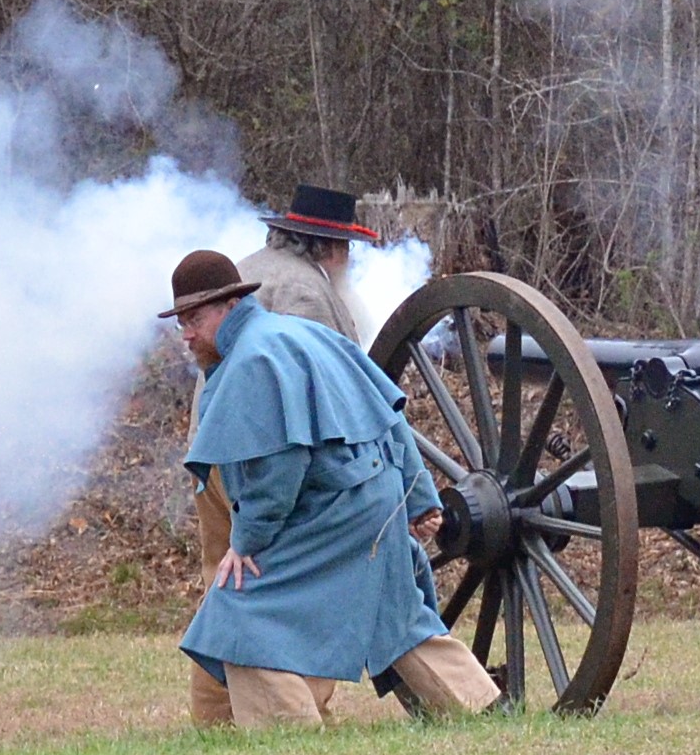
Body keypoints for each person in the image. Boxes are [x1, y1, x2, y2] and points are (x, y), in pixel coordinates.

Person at [167, 248, 501, 728]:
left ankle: (286, 727)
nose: (187, 334)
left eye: (195, 318)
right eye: (181, 321)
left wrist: (247, 543)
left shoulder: (253, 359)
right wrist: (417, 495)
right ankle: (476, 710)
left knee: (241, 604)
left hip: (337, 510)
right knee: (398, 613)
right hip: (375, 499)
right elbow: (389, 417)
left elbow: (277, 470)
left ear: (230, 305)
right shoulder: (307, 335)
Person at [245, 181, 377, 340]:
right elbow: (322, 361)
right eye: (347, 246)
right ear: (336, 248)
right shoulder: (308, 293)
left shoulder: (248, 264)